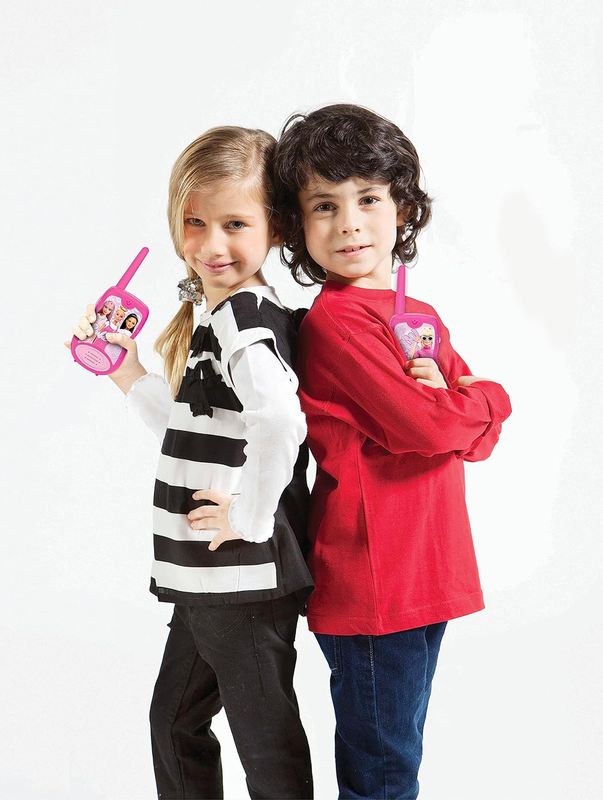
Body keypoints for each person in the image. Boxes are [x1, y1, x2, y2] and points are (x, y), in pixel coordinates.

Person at [67, 126, 314, 800]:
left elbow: (281, 422)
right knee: (175, 722)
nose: (211, 244)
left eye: (235, 224)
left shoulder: (243, 320)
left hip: (240, 577)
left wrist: (250, 519)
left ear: (276, 227)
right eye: (195, 222)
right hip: (209, 577)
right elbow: (192, 427)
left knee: (264, 745)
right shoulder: (219, 315)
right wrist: (126, 369)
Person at [273, 104, 512, 800]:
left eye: (368, 199)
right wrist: (488, 398)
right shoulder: (337, 324)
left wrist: (468, 407)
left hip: (426, 568)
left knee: (396, 756)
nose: (349, 222)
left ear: (402, 207)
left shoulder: (417, 316)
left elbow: (476, 438)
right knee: (383, 771)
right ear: (297, 225)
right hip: (376, 580)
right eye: (325, 205)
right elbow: (433, 429)